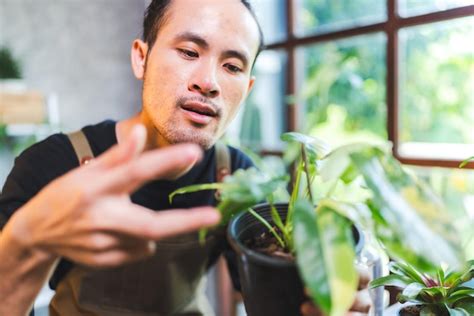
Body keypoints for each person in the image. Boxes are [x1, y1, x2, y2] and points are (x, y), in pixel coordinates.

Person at [0, 1, 370, 315]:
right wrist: (24, 242)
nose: (207, 81)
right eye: (190, 52)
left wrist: (320, 296)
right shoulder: (51, 165)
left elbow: (270, 299)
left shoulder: (238, 177)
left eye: (232, 67)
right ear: (141, 58)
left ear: (248, 89)